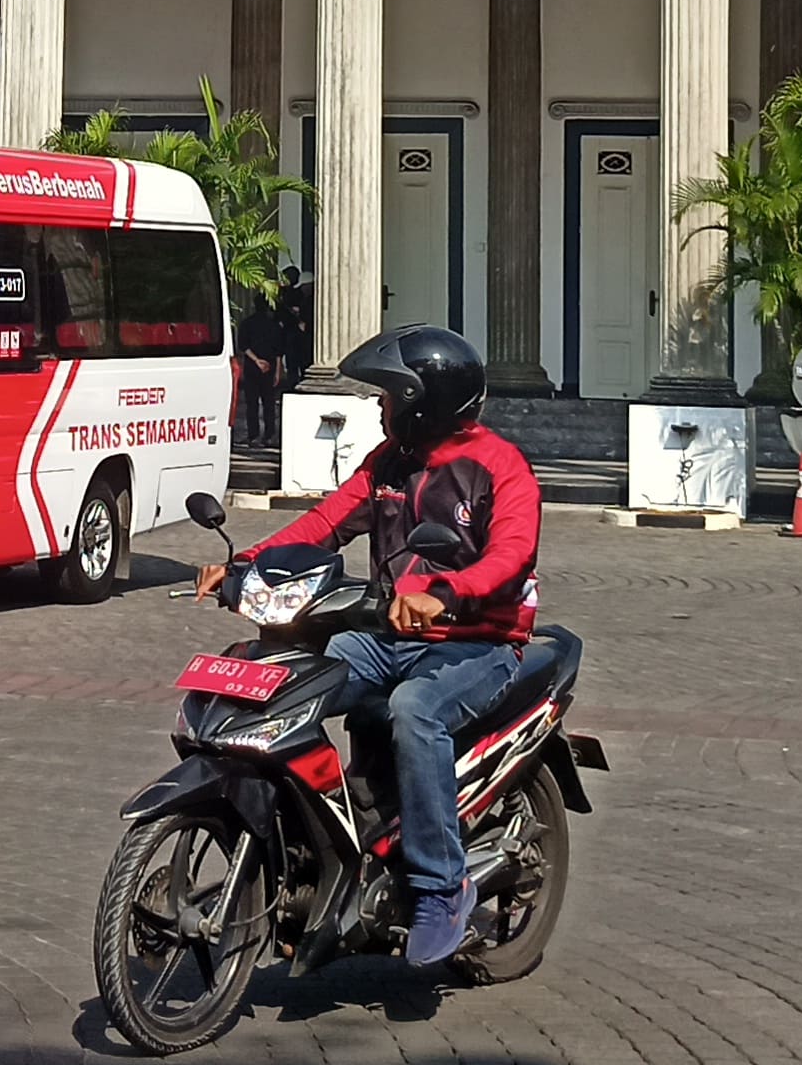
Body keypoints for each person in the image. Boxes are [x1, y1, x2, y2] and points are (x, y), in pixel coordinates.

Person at [197, 324, 545, 968]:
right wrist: (245, 562)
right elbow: (324, 523)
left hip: (478, 644)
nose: (379, 408)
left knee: (415, 711)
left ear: (424, 401)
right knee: (289, 678)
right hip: (386, 636)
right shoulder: (388, 463)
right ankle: (323, 827)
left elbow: (511, 554)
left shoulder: (500, 466)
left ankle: (443, 885)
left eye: (389, 397)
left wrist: (447, 592)